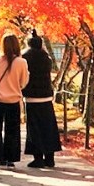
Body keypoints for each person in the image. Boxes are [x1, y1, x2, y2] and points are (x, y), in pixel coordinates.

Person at [0, 32, 27, 168]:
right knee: (12, 131)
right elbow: (24, 82)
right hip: (13, 100)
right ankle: (10, 160)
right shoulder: (21, 62)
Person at [22, 32, 60, 168]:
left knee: (34, 128)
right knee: (48, 128)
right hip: (46, 96)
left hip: (32, 96)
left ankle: (38, 158)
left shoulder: (25, 57)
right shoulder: (46, 57)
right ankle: (50, 158)